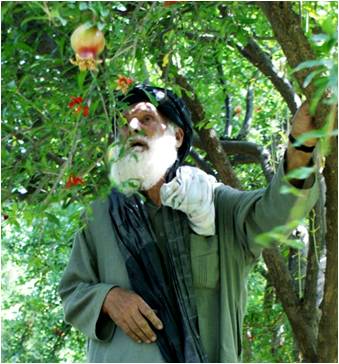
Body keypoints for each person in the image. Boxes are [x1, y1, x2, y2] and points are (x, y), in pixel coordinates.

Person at [59, 85, 319, 363]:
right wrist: (108, 298)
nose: (132, 127)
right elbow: (73, 291)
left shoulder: (216, 203)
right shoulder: (98, 215)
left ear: (178, 136)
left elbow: (277, 213)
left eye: (146, 119)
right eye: (124, 123)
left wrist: (301, 144)